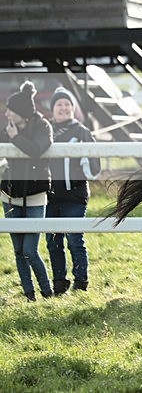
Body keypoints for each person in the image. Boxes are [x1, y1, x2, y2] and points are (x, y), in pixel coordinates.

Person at [0, 82, 53, 301]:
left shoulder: (43, 126)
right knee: (18, 251)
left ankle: (47, 291)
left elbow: (36, 150)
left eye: (10, 110)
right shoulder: (6, 127)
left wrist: (14, 139)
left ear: (21, 113)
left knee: (30, 249)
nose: (6, 113)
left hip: (35, 195)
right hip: (9, 195)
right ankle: (29, 294)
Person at [46, 87, 101, 295]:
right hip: (50, 198)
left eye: (67, 104)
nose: (64, 108)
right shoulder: (46, 130)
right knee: (53, 242)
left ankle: (81, 283)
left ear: (73, 108)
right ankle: (59, 283)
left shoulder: (81, 131)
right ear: (53, 109)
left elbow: (95, 161)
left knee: (75, 240)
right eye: (59, 104)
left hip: (74, 197)